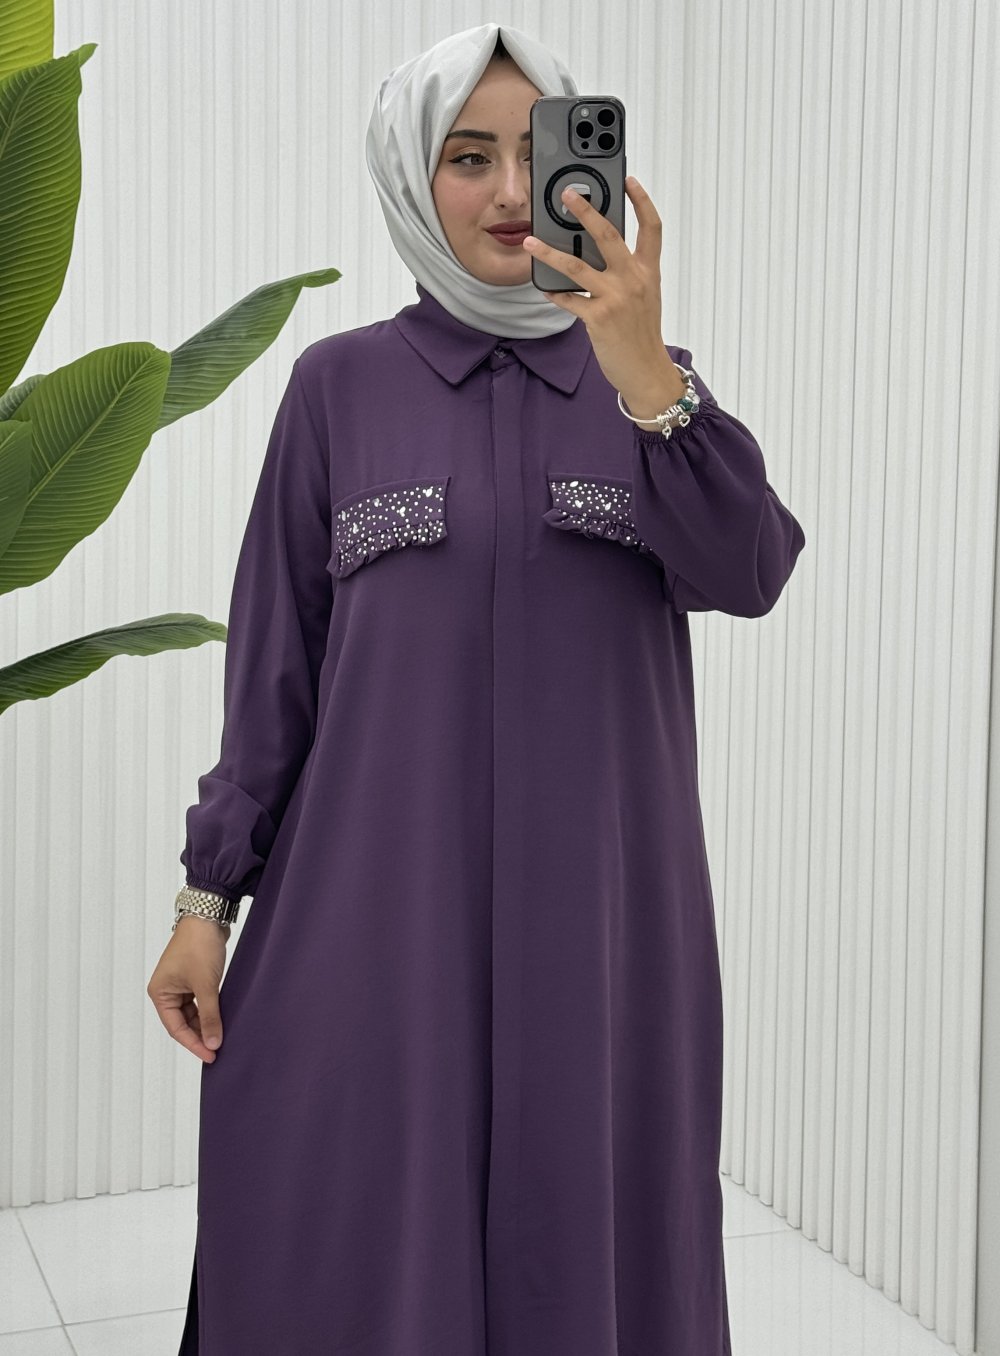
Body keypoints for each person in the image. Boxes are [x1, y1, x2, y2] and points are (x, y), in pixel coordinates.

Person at [147, 21, 806, 1356]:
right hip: (377, 919)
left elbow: (753, 571)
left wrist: (647, 374)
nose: (512, 192)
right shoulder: (337, 390)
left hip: (603, 928)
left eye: (536, 153)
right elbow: (273, 675)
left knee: (592, 1221)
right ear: (412, 173)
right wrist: (206, 905)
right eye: (467, 156)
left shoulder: (650, 389)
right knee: (355, 1212)